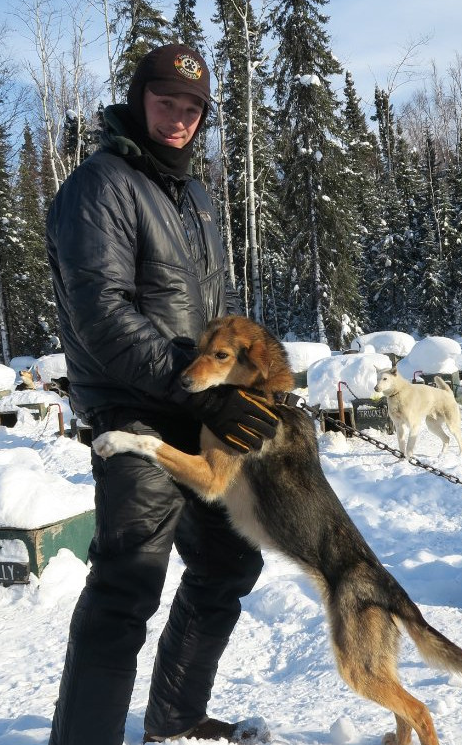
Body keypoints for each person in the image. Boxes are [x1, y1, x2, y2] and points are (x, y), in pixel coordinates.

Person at [45, 44, 278, 745]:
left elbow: (214, 313)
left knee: (229, 562)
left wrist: (248, 381)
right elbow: (103, 315)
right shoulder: (100, 185)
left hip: (196, 407)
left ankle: (175, 717)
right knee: (129, 583)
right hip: (134, 409)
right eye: (166, 102)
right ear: (138, 99)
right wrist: (199, 389)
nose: (179, 118)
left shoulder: (193, 195)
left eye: (192, 109)